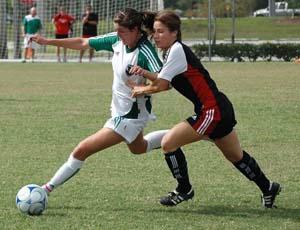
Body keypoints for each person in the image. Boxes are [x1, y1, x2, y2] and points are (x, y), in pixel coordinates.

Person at [129, 10, 281, 208]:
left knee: (168, 143)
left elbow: (163, 85)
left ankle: (184, 190)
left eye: (161, 32)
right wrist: (145, 73)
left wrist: (143, 89)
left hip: (212, 111)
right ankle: (268, 187)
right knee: (236, 156)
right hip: (220, 108)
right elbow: (164, 79)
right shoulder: (172, 52)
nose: (156, 36)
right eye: (154, 32)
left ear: (174, 33)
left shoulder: (176, 50)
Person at [31, 8, 171, 197]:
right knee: (139, 148)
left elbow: (164, 82)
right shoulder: (116, 39)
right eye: (118, 31)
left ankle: (44, 190)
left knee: (82, 149)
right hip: (119, 109)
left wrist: (143, 88)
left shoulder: (145, 50)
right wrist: (48, 41)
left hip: (130, 116)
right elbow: (83, 42)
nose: (119, 35)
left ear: (136, 29)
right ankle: (184, 134)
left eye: (123, 31)